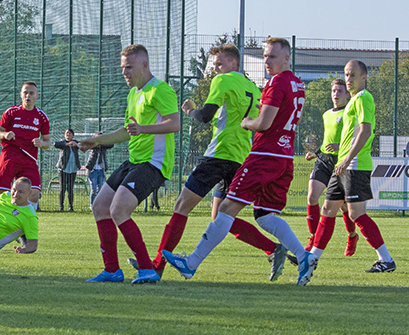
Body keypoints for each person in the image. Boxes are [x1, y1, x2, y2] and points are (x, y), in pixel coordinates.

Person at [163, 37, 319, 286]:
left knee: (222, 210)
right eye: (265, 56)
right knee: (265, 215)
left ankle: (188, 264)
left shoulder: (275, 82)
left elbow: (263, 123)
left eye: (272, 57)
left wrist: (247, 123)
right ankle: (303, 256)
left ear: (287, 58)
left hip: (261, 156)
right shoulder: (296, 84)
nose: (267, 61)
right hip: (283, 156)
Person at [144, 43, 285, 282]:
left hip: (219, 154)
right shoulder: (254, 87)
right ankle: (273, 248)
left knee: (181, 207)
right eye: (214, 64)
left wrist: (189, 110)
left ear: (234, 63)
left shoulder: (223, 81)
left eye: (220, 63)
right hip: (240, 157)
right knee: (221, 217)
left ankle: (156, 266)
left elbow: (206, 116)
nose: (216, 69)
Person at [78, 44, 180, 284]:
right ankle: (112, 271)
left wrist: (143, 129)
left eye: (129, 67)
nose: (124, 72)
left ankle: (147, 269)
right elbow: (127, 132)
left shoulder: (160, 90)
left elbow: (174, 124)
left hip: (153, 163)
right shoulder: (133, 93)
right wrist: (96, 141)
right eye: (123, 68)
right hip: (134, 161)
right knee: (100, 206)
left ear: (144, 65)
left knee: (119, 210)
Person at [309, 61, 396, 273]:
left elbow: (366, 131)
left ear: (364, 77)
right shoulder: (353, 101)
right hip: (343, 166)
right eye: (347, 75)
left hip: (355, 165)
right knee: (328, 209)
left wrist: (347, 159)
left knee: (357, 214)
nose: (349, 79)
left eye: (353, 75)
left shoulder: (364, 98)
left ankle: (386, 260)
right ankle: (311, 259)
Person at [304, 78, 358, 254]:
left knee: (344, 208)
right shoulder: (327, 114)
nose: (336, 94)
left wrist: (341, 147)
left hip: (341, 162)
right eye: (334, 91)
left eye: (340, 91)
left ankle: (352, 236)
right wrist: (316, 153)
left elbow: (357, 138)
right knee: (312, 197)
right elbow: (328, 139)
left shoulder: (351, 112)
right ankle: (313, 238)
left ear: (346, 94)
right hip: (323, 160)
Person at [0, 81, 51, 211]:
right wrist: (5, 134)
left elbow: (47, 142)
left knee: (33, 193)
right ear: (21, 95)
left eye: (31, 93)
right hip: (9, 156)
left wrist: (41, 143)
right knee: (0, 192)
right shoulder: (12, 112)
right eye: (25, 93)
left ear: (37, 96)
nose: (28, 96)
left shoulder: (42, 117)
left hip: (29, 159)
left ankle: (24, 220)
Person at [54, 128, 81, 211]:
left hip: (72, 169)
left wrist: (75, 144)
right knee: (62, 187)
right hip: (63, 168)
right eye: (66, 133)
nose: (67, 134)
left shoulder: (75, 143)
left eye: (69, 133)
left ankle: (70, 207)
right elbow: (56, 144)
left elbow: (83, 145)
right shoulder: (63, 143)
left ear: (73, 135)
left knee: (70, 188)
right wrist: (66, 144)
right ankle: (61, 207)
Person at [84, 131, 112, 208]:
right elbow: (88, 145)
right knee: (94, 189)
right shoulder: (93, 146)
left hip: (101, 170)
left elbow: (111, 144)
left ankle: (99, 204)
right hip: (93, 170)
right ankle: (92, 204)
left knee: (100, 188)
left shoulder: (103, 146)